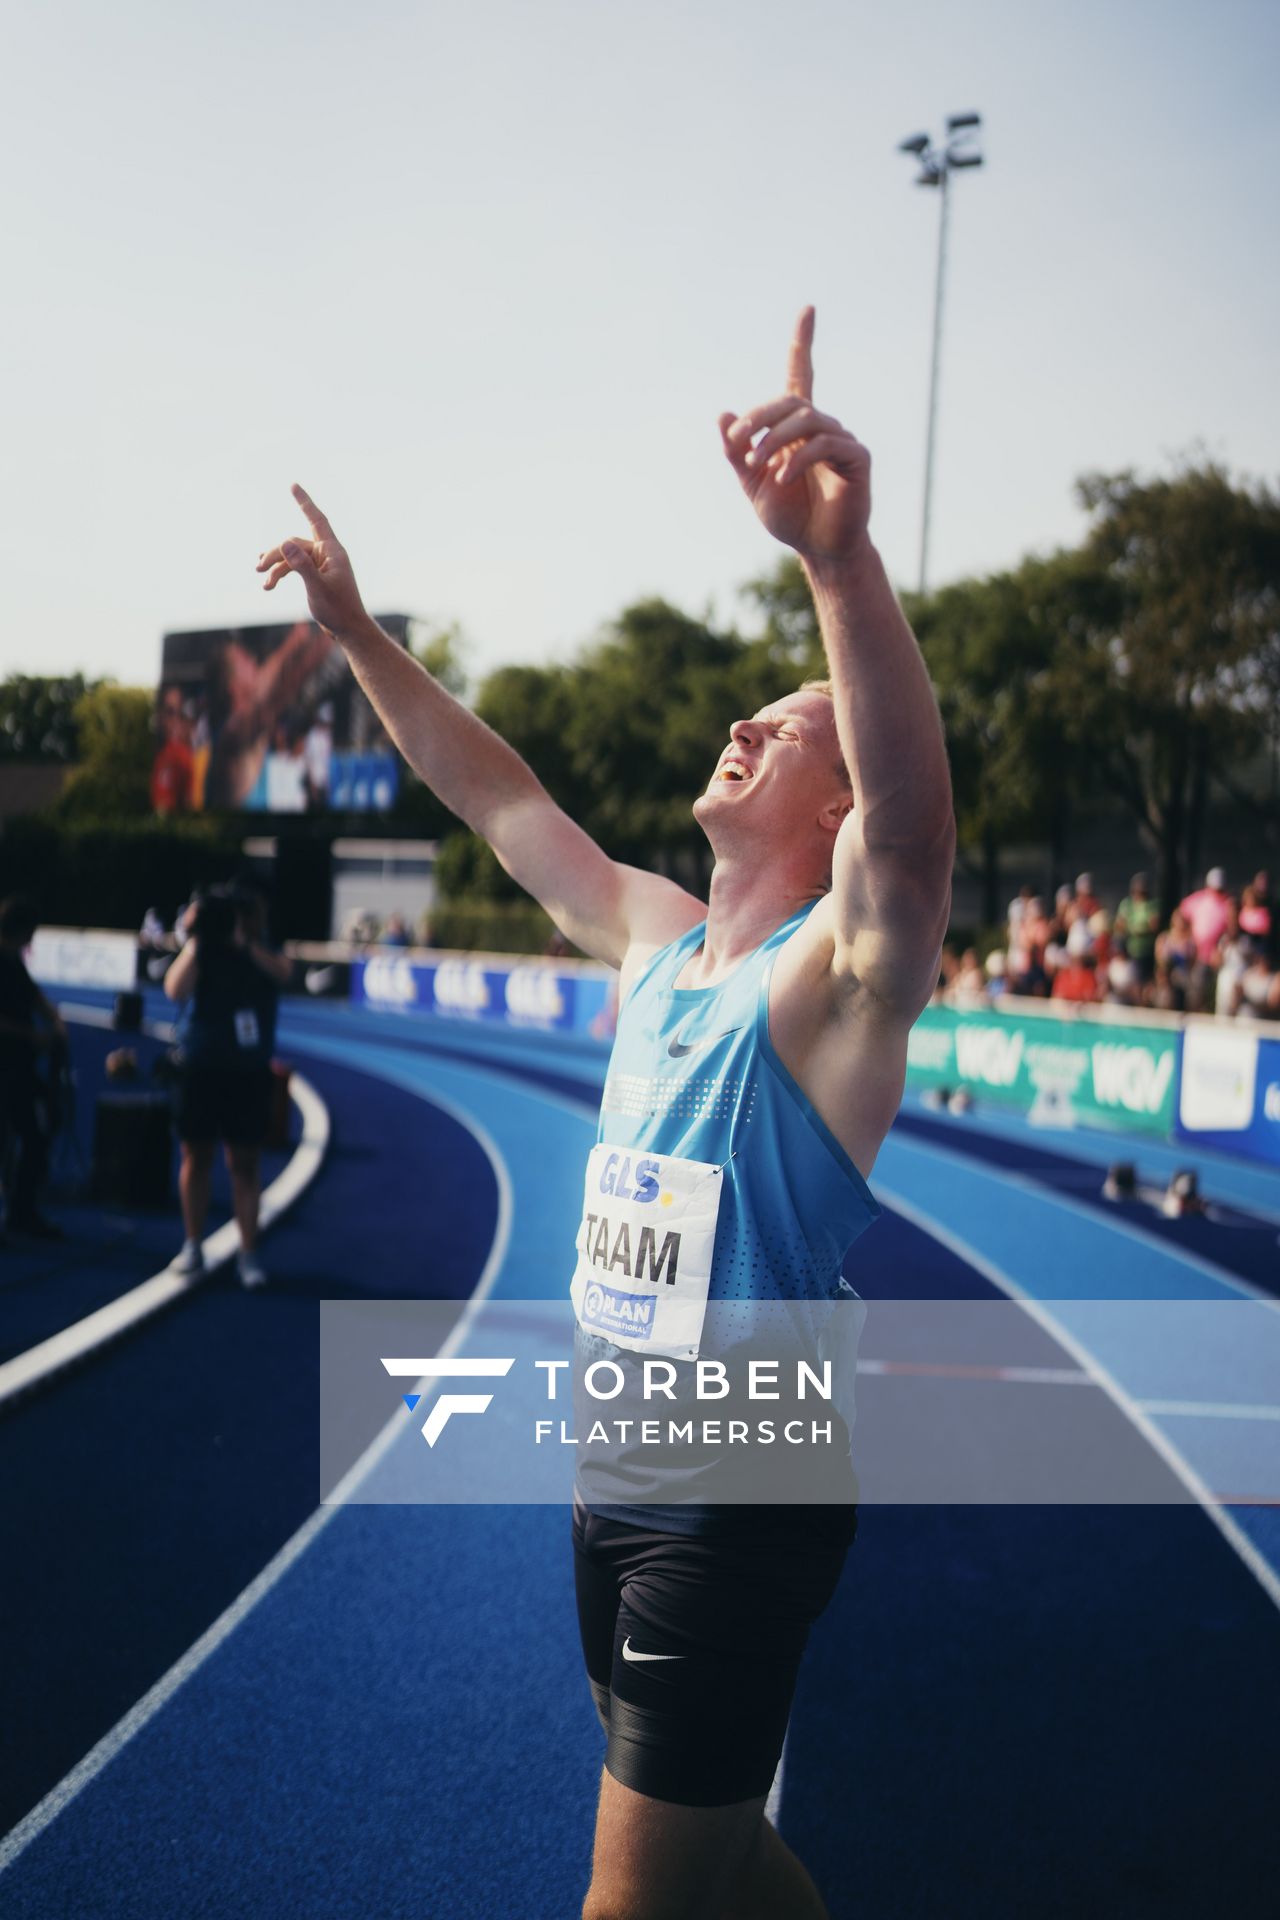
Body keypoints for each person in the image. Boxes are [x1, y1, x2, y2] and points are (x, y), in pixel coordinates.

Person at [257, 308, 955, 1920]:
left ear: (835, 803)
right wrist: (359, 634)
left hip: (737, 1491)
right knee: (717, 1858)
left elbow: (911, 844)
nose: (743, 725)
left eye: (781, 728)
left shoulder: (830, 987)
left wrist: (836, 568)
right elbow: (498, 797)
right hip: (611, 1478)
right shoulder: (651, 933)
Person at [162, 883, 292, 1288]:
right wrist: (196, 939)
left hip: (247, 1072)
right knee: (195, 1156)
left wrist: (245, 944)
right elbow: (173, 989)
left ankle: (248, 1253)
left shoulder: (262, 950)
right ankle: (192, 1244)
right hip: (201, 1068)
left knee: (245, 1164)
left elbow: (285, 974)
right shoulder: (202, 949)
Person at [0, 897, 68, 1239]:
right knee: (22, 1136)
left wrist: (53, 1019)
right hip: (7, 1066)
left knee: (30, 1136)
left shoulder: (13, 962)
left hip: (18, 1066)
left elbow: (32, 995)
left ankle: (21, 1210)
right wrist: (33, 1035)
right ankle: (19, 1210)